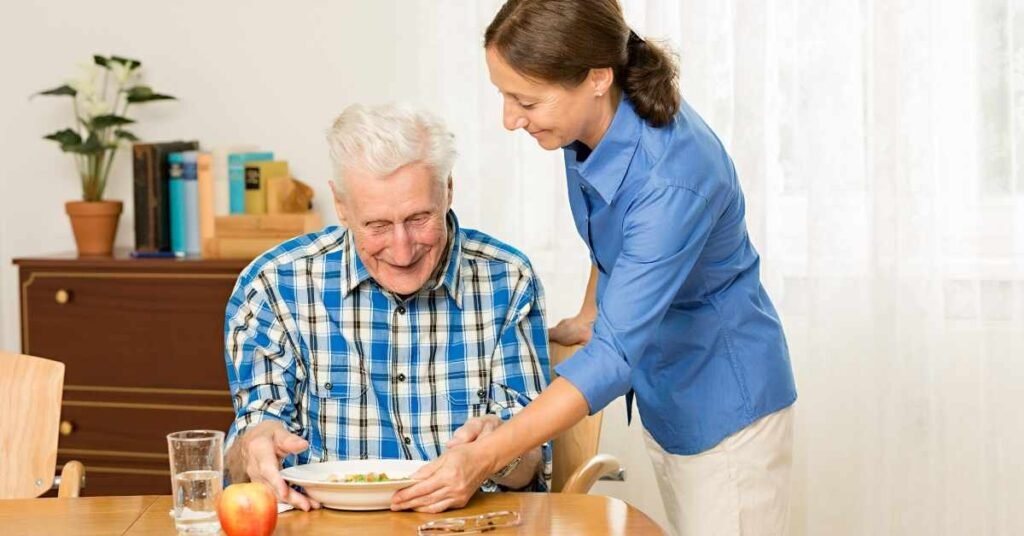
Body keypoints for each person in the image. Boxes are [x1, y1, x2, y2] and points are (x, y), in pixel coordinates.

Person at [391, 1, 798, 534]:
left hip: (724, 405)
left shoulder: (672, 177)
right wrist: (589, 313)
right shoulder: (587, 125)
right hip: (668, 390)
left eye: (525, 100)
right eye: (504, 96)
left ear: (597, 78)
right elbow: (611, 234)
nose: (510, 119)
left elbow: (614, 356)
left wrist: (486, 455)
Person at [223, 103, 551, 511]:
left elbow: (531, 467)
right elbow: (244, 453)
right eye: (377, 225)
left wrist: (502, 451)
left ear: (448, 189)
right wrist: (255, 443)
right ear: (341, 205)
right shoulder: (273, 284)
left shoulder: (507, 279)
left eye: (419, 219)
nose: (401, 249)